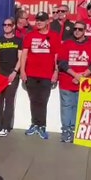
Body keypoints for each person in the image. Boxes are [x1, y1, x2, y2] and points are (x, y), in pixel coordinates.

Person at [20, 12, 60, 140]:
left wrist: (56, 72)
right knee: (33, 100)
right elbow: (24, 55)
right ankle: (34, 124)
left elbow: (56, 56)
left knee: (43, 101)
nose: (38, 22)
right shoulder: (30, 36)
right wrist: (22, 71)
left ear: (47, 22)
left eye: (41, 20)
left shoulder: (54, 36)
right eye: (37, 20)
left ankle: (42, 125)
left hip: (46, 75)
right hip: (31, 74)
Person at [57, 20, 91, 143]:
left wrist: (83, 76)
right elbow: (62, 62)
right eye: (75, 29)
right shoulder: (67, 43)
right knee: (67, 107)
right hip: (67, 81)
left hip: (85, 83)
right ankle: (66, 130)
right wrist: (75, 75)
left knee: (80, 107)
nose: (77, 31)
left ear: (85, 31)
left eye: (80, 29)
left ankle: (76, 129)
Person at [0, 18, 22, 137]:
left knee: (9, 101)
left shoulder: (18, 41)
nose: (6, 26)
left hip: (12, 74)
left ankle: (5, 127)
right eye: (5, 25)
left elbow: (21, 58)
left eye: (9, 25)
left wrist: (14, 72)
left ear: (13, 26)